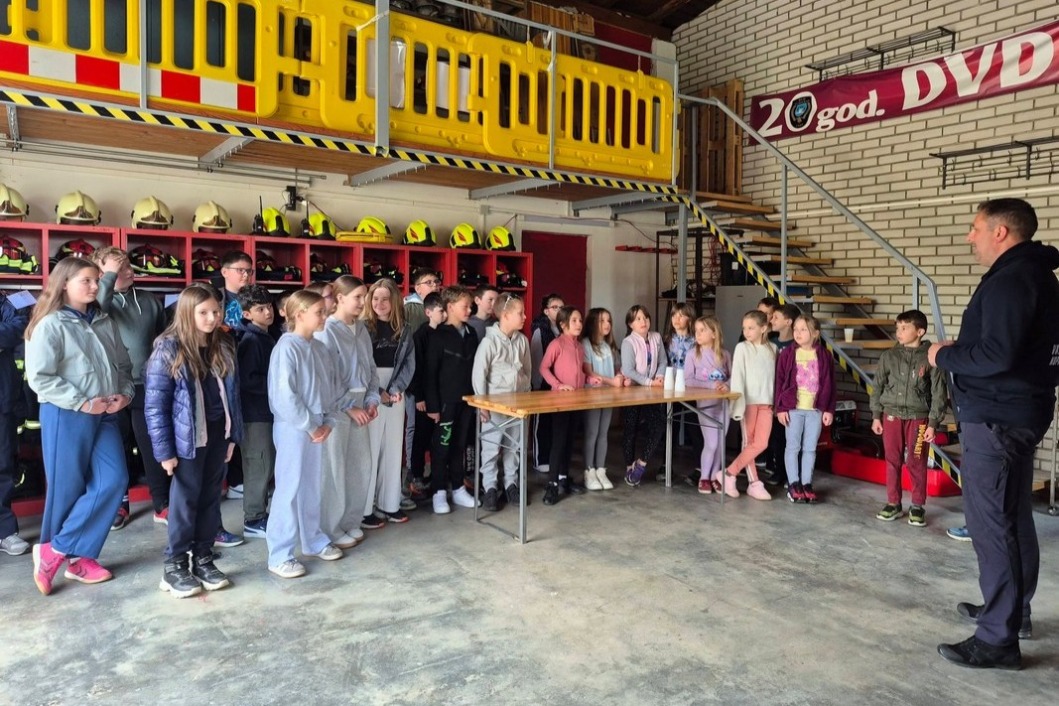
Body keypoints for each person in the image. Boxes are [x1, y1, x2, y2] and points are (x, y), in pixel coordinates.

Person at [930, 198, 1059, 669]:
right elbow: (1009, 348)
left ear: (1000, 231)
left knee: (990, 524)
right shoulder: (1037, 276)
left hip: (997, 419)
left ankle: (997, 639)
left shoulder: (1011, 279)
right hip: (1020, 411)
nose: (971, 236)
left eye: (976, 227)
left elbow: (996, 356)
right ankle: (1012, 612)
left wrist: (943, 355)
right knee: (1013, 515)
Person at [25, 257, 135, 595]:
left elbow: (123, 365)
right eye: (85, 280)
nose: (94, 286)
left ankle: (55, 550)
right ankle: (78, 558)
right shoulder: (51, 324)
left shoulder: (103, 321)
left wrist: (125, 394)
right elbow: (41, 378)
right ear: (64, 284)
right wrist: (82, 402)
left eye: (96, 280)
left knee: (113, 480)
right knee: (67, 488)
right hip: (67, 414)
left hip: (105, 413)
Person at [145, 285, 243, 598]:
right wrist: (165, 452)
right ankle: (174, 566)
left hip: (217, 435)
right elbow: (155, 406)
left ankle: (202, 558)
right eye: (203, 312)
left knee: (211, 499)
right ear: (188, 312)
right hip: (186, 440)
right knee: (185, 503)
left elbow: (233, 396)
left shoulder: (223, 344)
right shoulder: (168, 348)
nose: (212, 318)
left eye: (216, 311)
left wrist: (233, 436)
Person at [267, 290, 344, 578]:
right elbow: (285, 396)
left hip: (318, 427)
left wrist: (328, 421)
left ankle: (313, 539)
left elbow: (331, 389)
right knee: (288, 489)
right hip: (294, 428)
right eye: (319, 312)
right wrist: (311, 425)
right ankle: (280, 554)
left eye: (325, 311)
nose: (325, 316)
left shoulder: (320, 348)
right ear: (299, 315)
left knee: (312, 486)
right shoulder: (287, 347)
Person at [92, 246, 168, 530]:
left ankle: (162, 503)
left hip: (146, 384)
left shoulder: (148, 299)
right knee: (117, 447)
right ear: (103, 274)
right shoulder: (99, 299)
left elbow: (163, 335)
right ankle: (119, 504)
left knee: (152, 444)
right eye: (119, 268)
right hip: (111, 386)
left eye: (128, 265)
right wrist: (108, 277)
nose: (129, 271)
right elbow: (97, 308)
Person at [315, 275, 377, 549]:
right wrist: (348, 406)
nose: (363, 303)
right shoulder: (327, 330)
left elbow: (370, 367)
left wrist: (372, 398)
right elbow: (326, 377)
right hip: (337, 406)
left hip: (361, 403)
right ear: (339, 298)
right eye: (358, 297)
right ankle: (331, 527)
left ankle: (351, 520)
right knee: (334, 468)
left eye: (364, 297)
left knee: (359, 465)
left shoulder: (361, 329)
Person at [870, 309, 948, 526]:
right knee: (892, 460)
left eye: (905, 328)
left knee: (916, 460)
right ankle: (893, 503)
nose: (899, 332)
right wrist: (876, 415)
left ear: (920, 331)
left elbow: (939, 393)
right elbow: (877, 387)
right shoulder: (889, 356)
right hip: (891, 417)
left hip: (919, 419)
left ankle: (917, 506)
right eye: (898, 328)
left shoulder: (931, 357)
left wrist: (933, 423)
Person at [471, 292, 531, 511]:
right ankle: (490, 488)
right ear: (505, 316)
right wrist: (483, 405)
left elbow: (527, 370)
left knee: (514, 447)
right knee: (491, 447)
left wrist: (526, 397)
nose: (524, 316)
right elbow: (479, 375)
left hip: (518, 405)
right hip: (494, 407)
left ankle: (511, 484)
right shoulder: (489, 342)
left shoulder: (522, 341)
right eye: (520, 313)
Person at [362, 278, 415, 525]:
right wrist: (378, 390)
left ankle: (389, 504)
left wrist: (395, 388)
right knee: (370, 449)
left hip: (396, 390)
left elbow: (409, 363)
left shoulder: (404, 328)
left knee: (393, 447)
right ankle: (365, 510)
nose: (379, 303)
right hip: (370, 389)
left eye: (385, 299)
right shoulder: (363, 327)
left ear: (394, 301)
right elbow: (360, 364)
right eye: (375, 298)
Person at [425, 286, 480, 514]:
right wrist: (433, 406)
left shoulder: (472, 333)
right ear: (450, 307)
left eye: (470, 306)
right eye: (464, 306)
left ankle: (458, 489)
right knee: (442, 447)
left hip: (466, 401)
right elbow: (430, 373)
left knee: (460, 445)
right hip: (445, 402)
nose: (469, 310)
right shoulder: (438, 335)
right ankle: (439, 492)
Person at [540, 306, 600, 505]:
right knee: (558, 442)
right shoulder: (556, 344)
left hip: (577, 401)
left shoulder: (580, 347)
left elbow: (580, 372)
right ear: (563, 324)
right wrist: (557, 385)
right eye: (574, 320)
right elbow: (543, 368)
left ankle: (564, 477)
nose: (579, 324)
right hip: (560, 401)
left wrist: (589, 380)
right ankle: (552, 484)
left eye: (580, 320)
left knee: (569, 440)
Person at [716, 310, 776, 501]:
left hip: (767, 403)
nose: (746, 331)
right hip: (748, 403)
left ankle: (729, 473)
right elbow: (738, 377)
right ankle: (754, 483)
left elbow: (774, 379)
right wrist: (738, 404)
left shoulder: (773, 349)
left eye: (751, 328)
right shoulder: (742, 348)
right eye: (744, 328)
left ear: (763, 328)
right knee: (748, 443)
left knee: (761, 443)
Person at [775, 315, 835, 504]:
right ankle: (793, 484)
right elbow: (779, 382)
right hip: (793, 409)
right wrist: (780, 408)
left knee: (810, 448)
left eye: (803, 329)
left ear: (815, 333)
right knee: (792, 447)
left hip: (815, 410)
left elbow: (831, 384)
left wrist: (829, 409)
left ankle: (806, 483)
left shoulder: (825, 355)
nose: (798, 333)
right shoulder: (787, 354)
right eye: (795, 329)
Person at [235, 284, 277, 538]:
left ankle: (260, 512)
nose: (268, 312)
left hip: (266, 413)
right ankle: (253, 517)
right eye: (260, 309)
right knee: (257, 465)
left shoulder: (266, 336)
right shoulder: (250, 341)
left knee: (266, 463)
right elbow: (247, 380)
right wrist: (276, 386)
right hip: (254, 415)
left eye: (269, 306)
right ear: (247, 314)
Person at [403, 268, 442, 495]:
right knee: (414, 427)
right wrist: (417, 391)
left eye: (436, 281)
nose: (435, 285)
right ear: (417, 288)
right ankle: (413, 472)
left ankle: (427, 473)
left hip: (433, 387)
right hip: (415, 382)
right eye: (429, 282)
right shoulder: (410, 309)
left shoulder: (438, 311)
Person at [683, 316, 731, 495]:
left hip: (723, 406)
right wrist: (711, 385)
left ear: (714, 333)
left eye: (702, 330)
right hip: (705, 406)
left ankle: (714, 477)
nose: (698, 334)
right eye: (696, 330)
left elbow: (734, 376)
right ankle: (704, 477)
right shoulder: (692, 354)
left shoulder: (725, 355)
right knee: (711, 443)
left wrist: (726, 385)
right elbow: (688, 380)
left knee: (720, 443)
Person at [619, 305, 665, 487]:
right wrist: (649, 382)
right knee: (630, 428)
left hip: (651, 390)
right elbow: (628, 370)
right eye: (638, 318)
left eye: (645, 317)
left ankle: (642, 463)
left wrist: (659, 376)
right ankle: (629, 466)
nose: (643, 321)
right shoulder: (628, 342)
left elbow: (663, 361)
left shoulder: (656, 337)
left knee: (659, 425)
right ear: (630, 324)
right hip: (632, 390)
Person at [581, 307, 624, 491]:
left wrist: (620, 377)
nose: (607, 324)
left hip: (608, 396)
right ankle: (589, 470)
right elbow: (589, 371)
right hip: (592, 395)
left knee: (603, 433)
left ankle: (600, 469)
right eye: (602, 321)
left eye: (608, 321)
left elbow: (617, 368)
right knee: (592, 433)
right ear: (593, 323)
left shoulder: (609, 346)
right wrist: (611, 381)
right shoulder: (585, 344)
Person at [0, 292, 29, 557]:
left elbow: (17, 329)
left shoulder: (9, 302)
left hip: (2, 399)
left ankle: (5, 531)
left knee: (2, 465)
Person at [763, 303, 799, 486]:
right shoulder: (770, 342)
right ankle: (777, 470)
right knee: (775, 437)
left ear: (788, 322)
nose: (771, 320)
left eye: (776, 317)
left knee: (790, 438)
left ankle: (792, 474)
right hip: (771, 395)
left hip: (791, 399)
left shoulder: (797, 345)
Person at [530, 293, 564, 473]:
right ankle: (540, 459)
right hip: (543, 384)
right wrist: (537, 385)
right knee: (541, 424)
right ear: (546, 311)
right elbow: (537, 359)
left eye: (561, 307)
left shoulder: (564, 330)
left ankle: (554, 458)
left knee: (556, 424)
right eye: (554, 307)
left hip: (561, 385)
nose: (559, 310)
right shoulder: (540, 330)